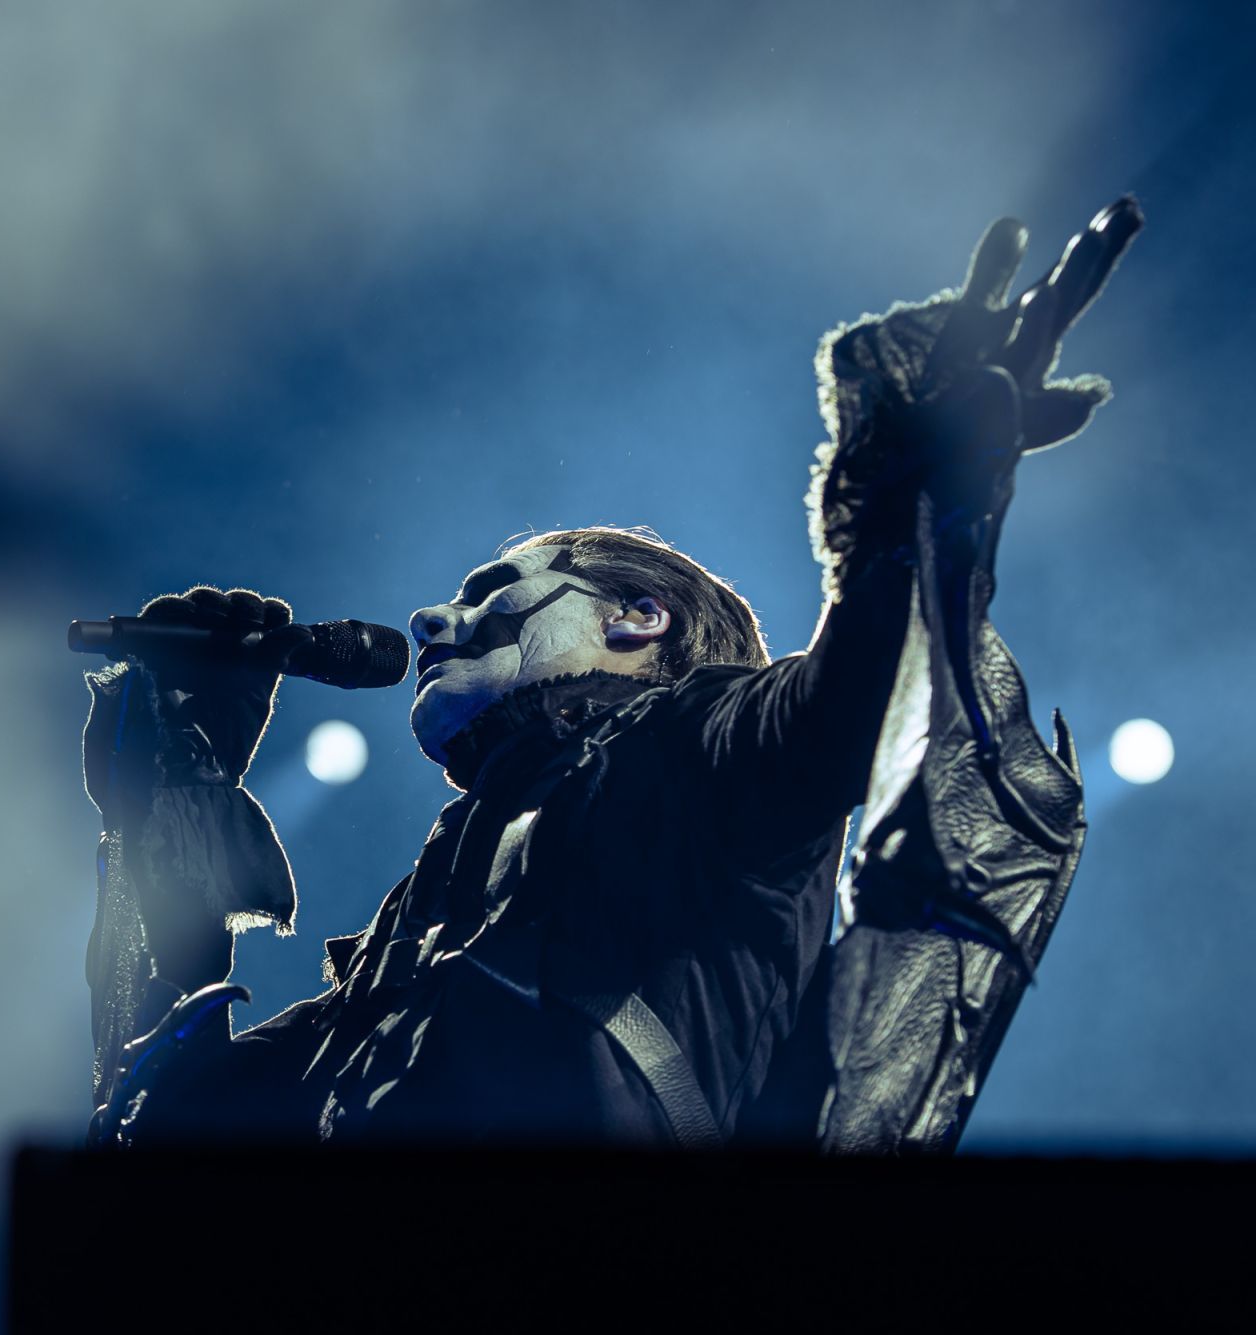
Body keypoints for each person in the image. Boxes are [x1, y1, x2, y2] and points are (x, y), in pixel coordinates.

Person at [79, 199, 1140, 1148]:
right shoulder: (418, 928)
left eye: (494, 588)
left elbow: (858, 701)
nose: (430, 619)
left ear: (639, 619)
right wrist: (176, 791)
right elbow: (153, 1132)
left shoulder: (699, 755)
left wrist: (904, 492)